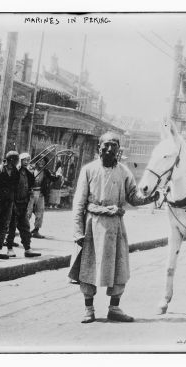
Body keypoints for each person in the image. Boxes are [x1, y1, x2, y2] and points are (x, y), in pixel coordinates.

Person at [69, 132, 159, 323]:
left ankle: (114, 308)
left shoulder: (124, 171)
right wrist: (77, 231)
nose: (110, 149)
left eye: (114, 146)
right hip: (92, 225)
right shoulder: (88, 170)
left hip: (116, 227)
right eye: (106, 145)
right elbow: (79, 202)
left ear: (119, 150)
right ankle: (89, 309)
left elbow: (133, 197)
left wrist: (150, 198)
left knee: (119, 267)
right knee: (88, 267)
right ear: (98, 148)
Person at [3, 153, 41, 257]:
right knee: (12, 227)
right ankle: (9, 248)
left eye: (28, 160)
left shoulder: (28, 172)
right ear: (20, 160)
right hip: (14, 203)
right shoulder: (15, 171)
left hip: (23, 203)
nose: (27, 162)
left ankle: (27, 248)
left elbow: (32, 184)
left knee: (25, 227)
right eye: (25, 160)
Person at [26, 156, 60, 238]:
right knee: (28, 212)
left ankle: (36, 230)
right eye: (39, 161)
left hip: (40, 194)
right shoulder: (31, 170)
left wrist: (58, 174)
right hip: (31, 194)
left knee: (40, 212)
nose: (41, 163)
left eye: (43, 161)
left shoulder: (46, 171)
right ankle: (25, 230)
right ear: (36, 162)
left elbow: (53, 179)